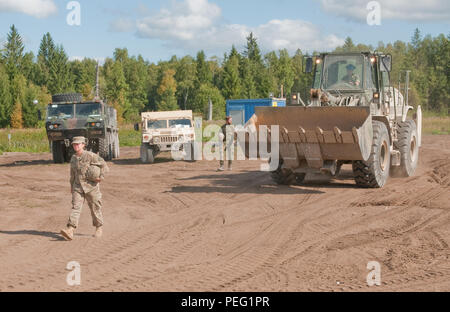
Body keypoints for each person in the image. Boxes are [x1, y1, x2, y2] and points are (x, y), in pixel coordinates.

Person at [60, 136, 109, 241]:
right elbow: (72, 174)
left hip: (91, 187)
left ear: (83, 145)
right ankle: (70, 229)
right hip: (78, 187)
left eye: (78, 144)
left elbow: (104, 165)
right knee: (75, 207)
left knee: (95, 208)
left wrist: (101, 178)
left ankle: (98, 227)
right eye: (74, 144)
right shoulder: (73, 158)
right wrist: (71, 187)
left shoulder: (91, 156)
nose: (76, 146)